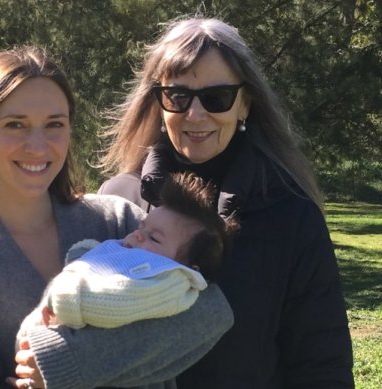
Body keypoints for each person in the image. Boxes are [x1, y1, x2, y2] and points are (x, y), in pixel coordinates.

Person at [0, 45, 234, 389]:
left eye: (54, 124)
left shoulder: (119, 222)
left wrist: (68, 362)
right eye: (15, 124)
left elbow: (210, 315)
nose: (37, 145)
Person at [97, 17, 354, 388]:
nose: (195, 114)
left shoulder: (289, 216)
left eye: (217, 98)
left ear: (244, 104)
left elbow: (322, 365)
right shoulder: (118, 199)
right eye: (178, 96)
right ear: (159, 102)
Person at [17, 172, 237, 338]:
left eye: (155, 238)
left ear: (188, 268)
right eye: (142, 227)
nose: (139, 235)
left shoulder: (168, 283)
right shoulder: (136, 254)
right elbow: (86, 254)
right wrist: (83, 253)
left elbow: (111, 303)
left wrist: (62, 301)